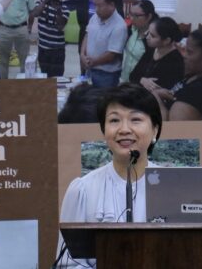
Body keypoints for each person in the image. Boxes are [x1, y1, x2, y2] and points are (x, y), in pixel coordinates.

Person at [57, 83, 162, 267]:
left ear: (155, 130)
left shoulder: (175, 187)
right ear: (104, 130)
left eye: (135, 119)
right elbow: (67, 264)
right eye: (114, 120)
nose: (124, 129)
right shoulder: (83, 189)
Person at [152, 29, 202, 121]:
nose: (184, 55)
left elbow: (172, 128)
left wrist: (156, 99)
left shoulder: (200, 93)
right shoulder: (196, 73)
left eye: (189, 52)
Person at [76, 0, 124, 74]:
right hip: (86, 39)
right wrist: (83, 53)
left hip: (106, 45)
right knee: (84, 73)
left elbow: (118, 22)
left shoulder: (115, 0)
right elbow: (81, 22)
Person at [80, 0, 128, 88]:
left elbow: (111, 54)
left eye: (100, 6)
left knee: (103, 98)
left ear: (112, 5)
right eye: (95, 5)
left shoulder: (119, 26)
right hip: (90, 69)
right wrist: (82, 54)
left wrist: (93, 62)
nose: (96, 9)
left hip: (106, 75)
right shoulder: (95, 17)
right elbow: (87, 34)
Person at [129, 17, 184, 91]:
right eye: (148, 32)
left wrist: (141, 80)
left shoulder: (175, 61)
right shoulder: (152, 49)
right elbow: (133, 75)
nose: (147, 37)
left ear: (167, 40)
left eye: (152, 36)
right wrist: (142, 80)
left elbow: (162, 89)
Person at [29, 0, 70, 77]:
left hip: (58, 50)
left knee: (58, 77)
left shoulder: (65, 9)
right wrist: (45, 1)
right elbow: (35, 14)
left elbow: (60, 27)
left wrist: (58, 9)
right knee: (44, 75)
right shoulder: (40, 3)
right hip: (43, 49)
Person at [121, 0, 158, 82]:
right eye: (130, 14)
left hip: (139, 83)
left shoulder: (153, 39)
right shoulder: (130, 29)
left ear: (149, 16)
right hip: (124, 79)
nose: (131, 18)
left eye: (136, 16)